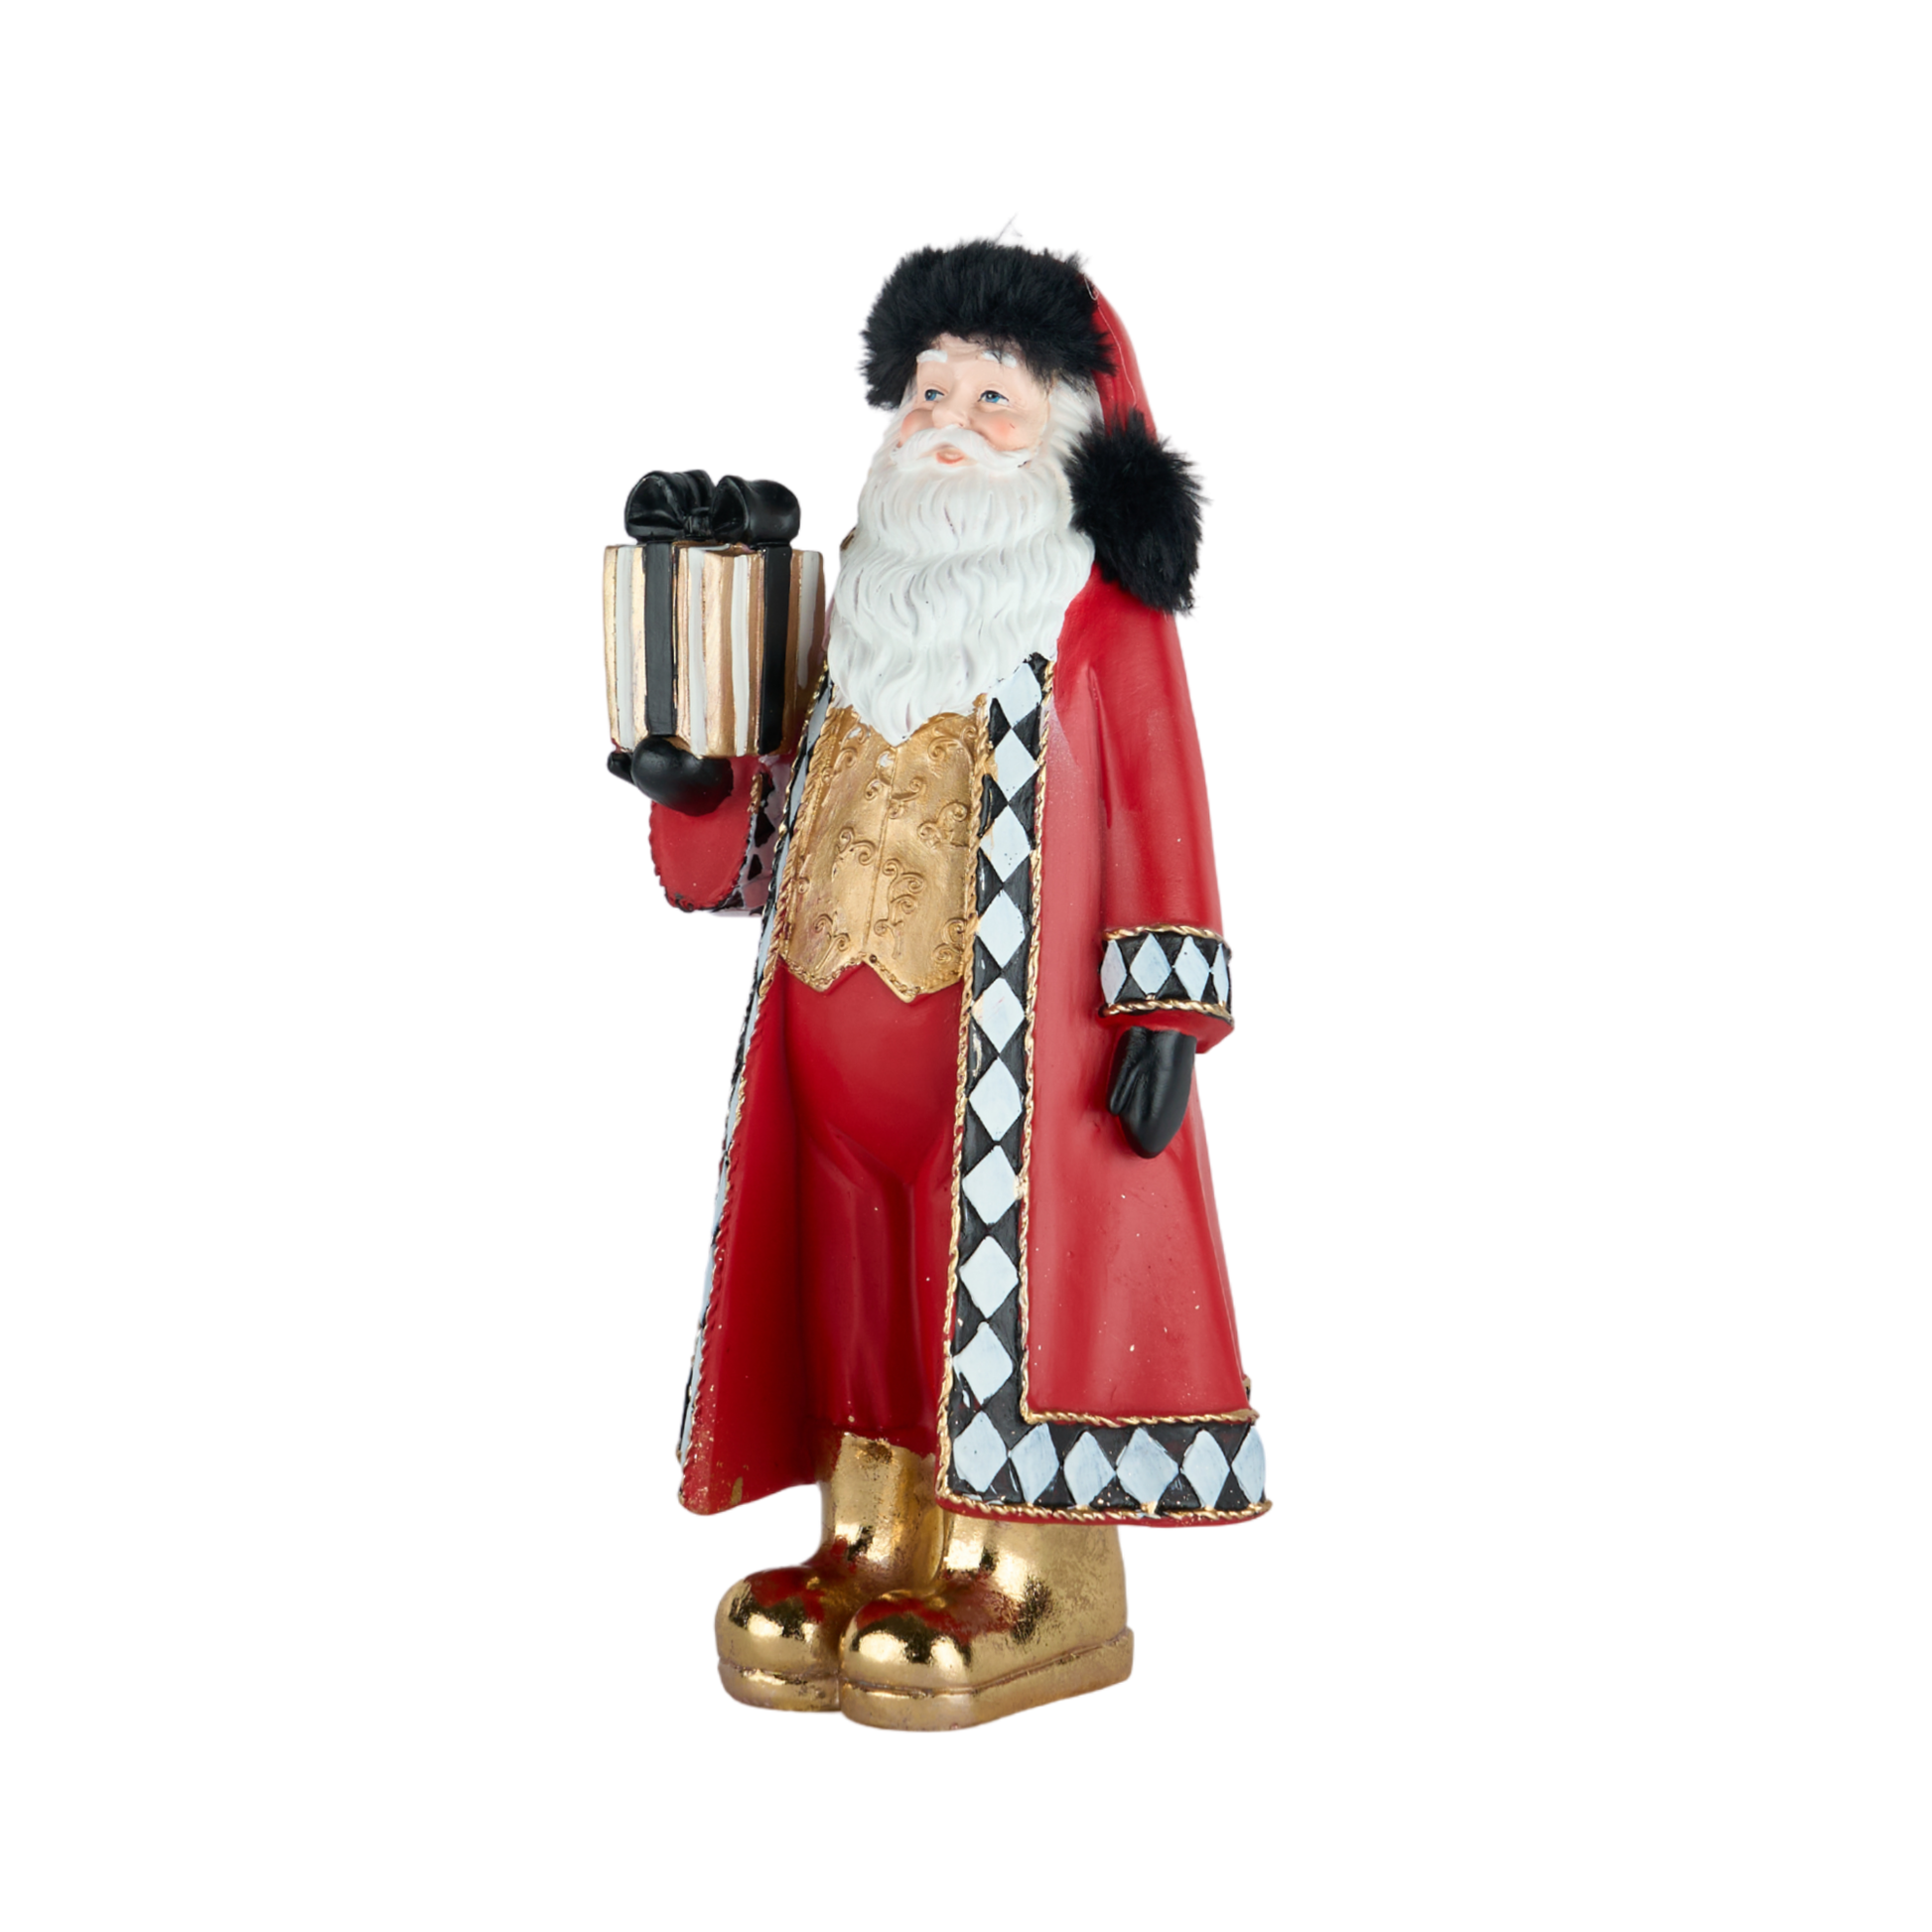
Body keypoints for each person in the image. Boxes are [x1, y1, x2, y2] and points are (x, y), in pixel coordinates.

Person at [610, 239, 1267, 1728]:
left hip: (1014, 1070)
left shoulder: (1096, 616)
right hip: (831, 1059)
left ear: (1072, 430)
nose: (945, 424)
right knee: (857, 1298)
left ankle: (1022, 1565)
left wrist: (1165, 1002)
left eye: (991, 396)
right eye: (925, 392)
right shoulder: (864, 603)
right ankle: (867, 1532)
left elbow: (1160, 795)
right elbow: (763, 830)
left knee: (1000, 1299)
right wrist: (696, 783)